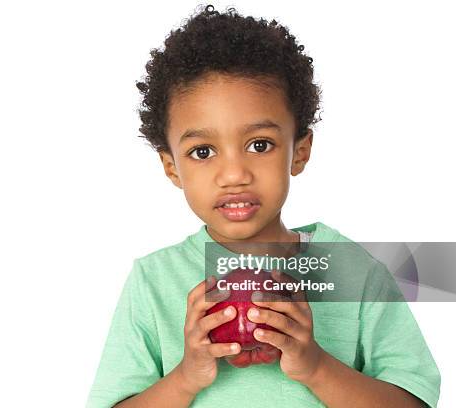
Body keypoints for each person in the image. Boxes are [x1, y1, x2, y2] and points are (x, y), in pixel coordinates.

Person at [86, 4, 440, 407]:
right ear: (171, 167)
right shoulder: (152, 282)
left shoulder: (353, 272)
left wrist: (315, 366)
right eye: (203, 151)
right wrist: (186, 378)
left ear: (299, 151)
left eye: (260, 145)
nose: (234, 174)